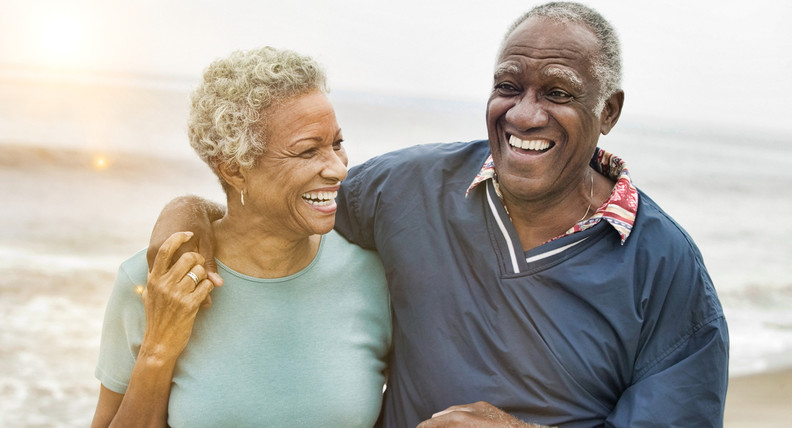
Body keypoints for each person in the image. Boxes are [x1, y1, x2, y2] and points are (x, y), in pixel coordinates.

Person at [149, 2, 729, 427]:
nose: (525, 115)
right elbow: (280, 208)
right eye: (509, 86)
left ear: (609, 110)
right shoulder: (410, 187)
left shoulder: (666, 267)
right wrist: (184, 218)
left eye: (557, 93)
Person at [91, 47, 391, 427]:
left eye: (336, 144)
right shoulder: (153, 282)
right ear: (234, 170)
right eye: (308, 151)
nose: (337, 169)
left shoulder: (373, 277)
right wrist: (158, 350)